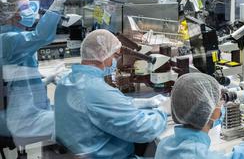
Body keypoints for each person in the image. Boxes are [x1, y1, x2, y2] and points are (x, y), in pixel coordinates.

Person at [55, 29, 168, 159]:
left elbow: (107, 104)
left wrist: (143, 102)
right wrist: (163, 111)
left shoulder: (65, 81)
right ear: (104, 55)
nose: (115, 62)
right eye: (115, 56)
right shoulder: (96, 90)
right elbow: (143, 130)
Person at [0, 0, 63, 143]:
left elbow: (15, 86)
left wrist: (46, 80)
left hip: (22, 110)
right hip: (18, 120)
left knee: (67, 113)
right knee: (78, 118)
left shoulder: (15, 36)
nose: (30, 10)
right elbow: (41, 36)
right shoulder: (8, 39)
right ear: (11, 14)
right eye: (25, 7)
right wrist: (57, 4)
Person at [156, 73, 244, 159]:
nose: (222, 104)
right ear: (210, 110)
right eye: (220, 100)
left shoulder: (165, 144)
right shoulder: (196, 155)